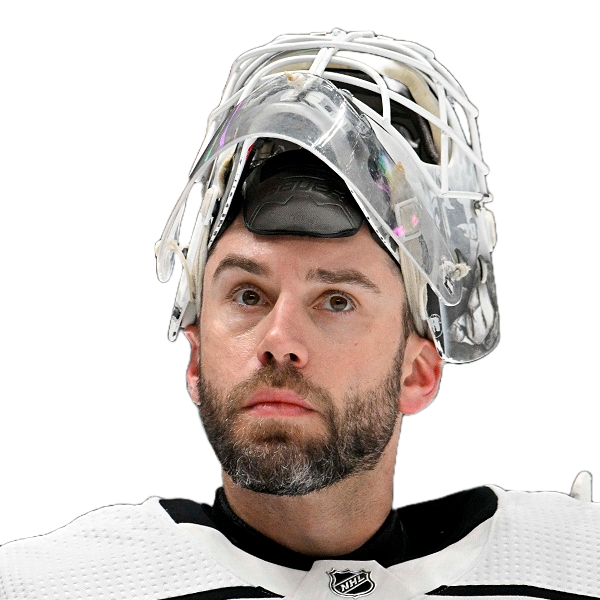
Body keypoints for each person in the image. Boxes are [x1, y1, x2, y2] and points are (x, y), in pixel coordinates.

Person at [1, 29, 598, 600]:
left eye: (336, 300)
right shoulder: (50, 584)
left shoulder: (572, 564)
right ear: (196, 359)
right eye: (248, 295)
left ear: (417, 373)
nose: (279, 339)